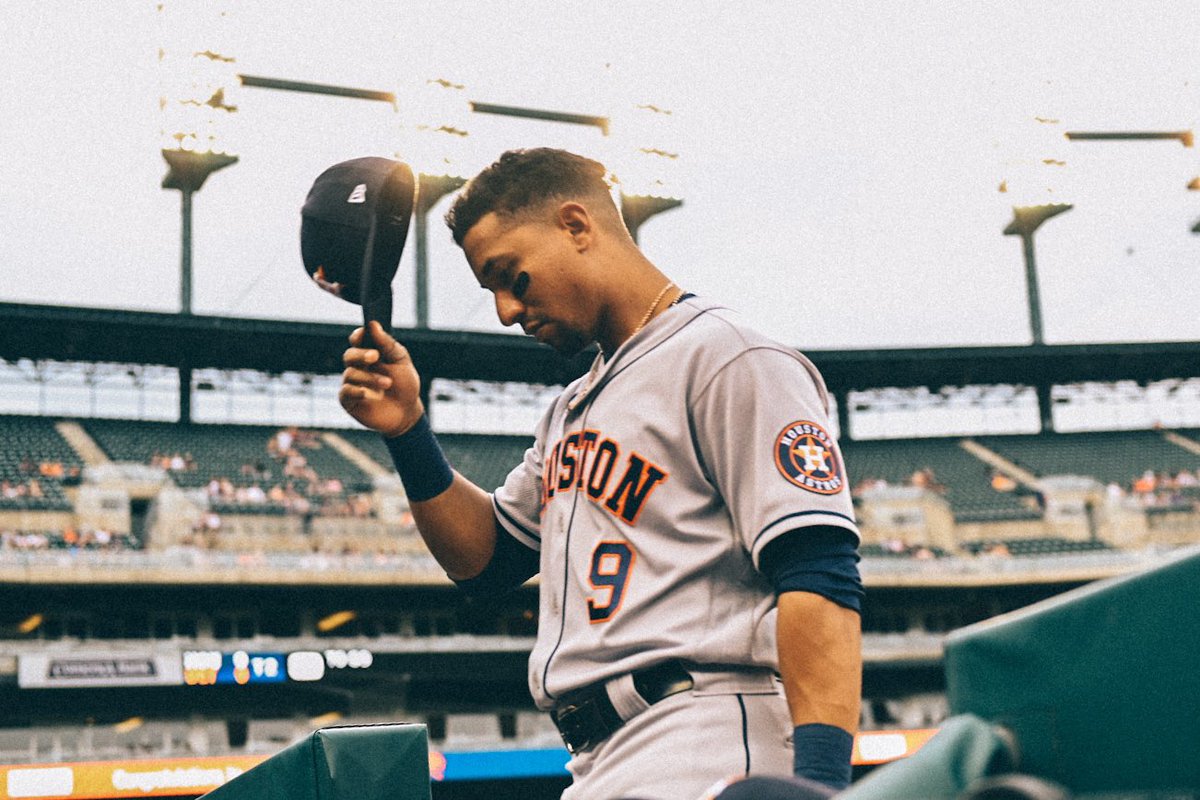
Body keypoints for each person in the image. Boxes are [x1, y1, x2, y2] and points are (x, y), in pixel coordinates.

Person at [339, 148, 863, 799]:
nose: (504, 309)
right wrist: (408, 431)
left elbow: (819, 575)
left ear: (577, 225)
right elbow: (488, 560)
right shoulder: (571, 408)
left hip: (706, 736)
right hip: (597, 759)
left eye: (511, 276)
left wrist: (821, 786)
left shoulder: (728, 356)